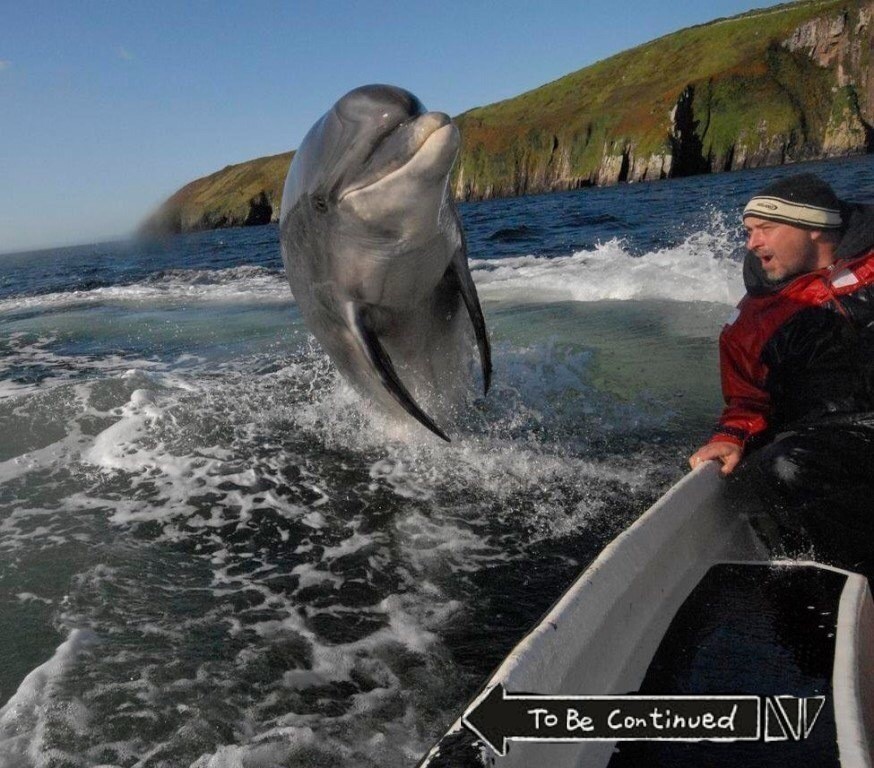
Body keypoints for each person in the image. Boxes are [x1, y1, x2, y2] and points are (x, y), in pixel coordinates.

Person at [689, 173, 874, 573]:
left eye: (765, 229)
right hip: (837, 437)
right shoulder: (751, 322)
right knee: (780, 468)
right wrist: (731, 435)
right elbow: (746, 400)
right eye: (749, 231)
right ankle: (846, 577)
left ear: (813, 228)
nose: (752, 243)